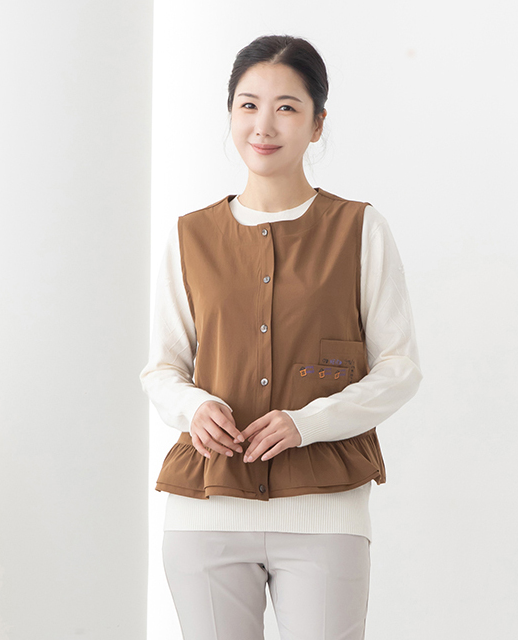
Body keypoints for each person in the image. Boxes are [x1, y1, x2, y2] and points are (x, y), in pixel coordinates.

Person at [139, 34, 423, 640]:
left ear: (318, 124)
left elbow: (399, 368)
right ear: (231, 115)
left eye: (287, 107)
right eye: (248, 105)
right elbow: (162, 369)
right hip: (205, 513)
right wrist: (195, 408)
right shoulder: (190, 236)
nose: (263, 125)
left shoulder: (359, 229)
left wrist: (307, 422)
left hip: (325, 514)